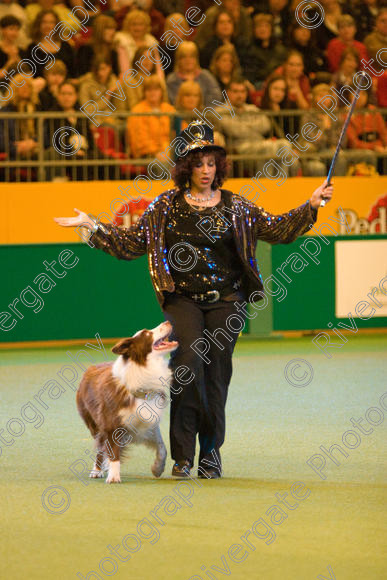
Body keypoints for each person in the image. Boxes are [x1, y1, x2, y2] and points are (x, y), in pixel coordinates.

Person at [53, 120, 333, 479]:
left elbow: (278, 229)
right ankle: (183, 457)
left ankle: (211, 455)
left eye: (211, 163)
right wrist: (92, 226)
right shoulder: (165, 205)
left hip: (227, 300)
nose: (205, 170)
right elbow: (130, 244)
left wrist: (311, 205)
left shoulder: (237, 205)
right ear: (185, 166)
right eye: (198, 163)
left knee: (217, 375)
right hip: (181, 299)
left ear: (219, 165)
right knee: (186, 367)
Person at [127, 75, 175, 160]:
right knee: (162, 165)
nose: (153, 93)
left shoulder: (169, 109)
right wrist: (157, 152)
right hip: (147, 154)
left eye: (156, 89)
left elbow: (181, 131)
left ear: (161, 91)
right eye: (149, 90)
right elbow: (139, 140)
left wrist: (170, 150)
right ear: (144, 92)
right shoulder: (137, 110)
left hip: (170, 152)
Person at [166, 41, 222, 107]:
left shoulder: (206, 76)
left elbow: (216, 97)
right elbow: (172, 102)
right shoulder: (172, 80)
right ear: (178, 60)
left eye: (192, 56)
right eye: (184, 57)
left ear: (196, 59)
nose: (188, 60)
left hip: (206, 115)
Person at [239, 12, 287, 89]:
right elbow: (248, 73)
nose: (263, 29)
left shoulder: (280, 50)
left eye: (266, 26)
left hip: (277, 84)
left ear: (271, 29)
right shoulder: (248, 48)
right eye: (259, 26)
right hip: (255, 85)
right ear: (253, 30)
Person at [26, 9, 76, 79]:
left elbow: (73, 72)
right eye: (44, 22)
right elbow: (30, 74)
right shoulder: (31, 48)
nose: (48, 26)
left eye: (51, 22)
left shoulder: (66, 46)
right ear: (38, 24)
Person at [0, 16, 27, 85]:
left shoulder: (21, 50)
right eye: (11, 29)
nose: (14, 33)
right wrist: (10, 62)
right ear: (2, 30)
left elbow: (27, 73)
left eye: (17, 29)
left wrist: (17, 59)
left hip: (19, 83)